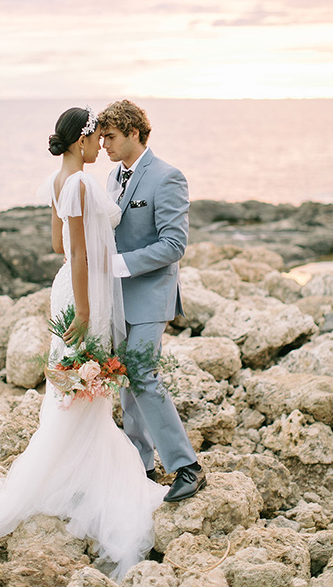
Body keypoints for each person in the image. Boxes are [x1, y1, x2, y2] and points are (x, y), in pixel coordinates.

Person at [0, 106, 167, 582]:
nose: (101, 147)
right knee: (84, 385)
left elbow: (59, 245)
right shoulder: (82, 184)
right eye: (96, 139)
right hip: (82, 291)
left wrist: (84, 258)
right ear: (79, 141)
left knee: (70, 387)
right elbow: (77, 249)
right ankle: (85, 482)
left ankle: (65, 476)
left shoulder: (57, 181)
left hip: (66, 286)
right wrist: (89, 308)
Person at [98, 99, 206, 502]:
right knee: (125, 381)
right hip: (117, 298)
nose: (104, 144)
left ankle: (187, 467)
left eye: (110, 136)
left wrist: (119, 264)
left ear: (133, 133)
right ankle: (140, 464)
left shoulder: (167, 177)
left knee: (141, 373)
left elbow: (174, 244)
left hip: (150, 295)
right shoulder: (113, 177)